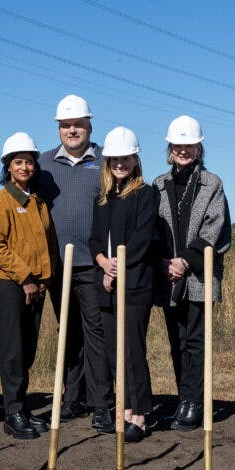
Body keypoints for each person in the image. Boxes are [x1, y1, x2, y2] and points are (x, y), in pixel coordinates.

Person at [35, 94, 115, 432]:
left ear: (89, 126)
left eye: (78, 125)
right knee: (67, 330)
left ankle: (102, 404)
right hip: (58, 263)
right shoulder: (43, 163)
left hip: (93, 262)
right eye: (66, 125)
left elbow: (113, 211)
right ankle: (72, 398)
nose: (72, 130)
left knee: (95, 331)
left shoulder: (106, 161)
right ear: (58, 128)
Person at [152, 115, 231, 432]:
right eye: (177, 145)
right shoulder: (158, 185)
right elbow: (152, 229)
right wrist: (165, 263)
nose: (183, 150)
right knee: (176, 340)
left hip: (198, 275)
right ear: (169, 148)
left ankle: (195, 402)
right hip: (167, 276)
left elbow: (215, 228)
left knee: (195, 341)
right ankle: (183, 399)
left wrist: (184, 261)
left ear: (199, 148)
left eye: (189, 145)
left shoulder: (212, 183)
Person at [0, 133, 58, 440]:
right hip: (7, 284)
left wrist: (42, 279)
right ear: (7, 166)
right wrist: (26, 278)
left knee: (27, 347)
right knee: (13, 349)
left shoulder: (38, 202)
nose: (24, 167)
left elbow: (46, 245)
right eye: (18, 162)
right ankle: (12, 413)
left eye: (29, 162)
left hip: (35, 285)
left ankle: (22, 407)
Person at [90, 127, 162, 443]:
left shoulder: (146, 194)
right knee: (113, 352)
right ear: (108, 162)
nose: (120, 164)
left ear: (135, 159)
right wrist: (104, 264)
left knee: (133, 350)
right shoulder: (103, 198)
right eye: (114, 159)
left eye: (126, 158)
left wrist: (117, 266)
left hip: (134, 283)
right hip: (106, 282)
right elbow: (94, 238)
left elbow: (143, 237)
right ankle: (123, 407)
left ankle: (140, 414)